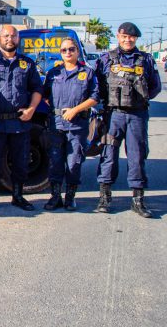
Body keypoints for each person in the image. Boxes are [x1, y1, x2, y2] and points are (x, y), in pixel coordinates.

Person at [94, 22, 161, 218]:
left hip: (137, 115)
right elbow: (96, 85)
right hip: (113, 115)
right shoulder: (106, 59)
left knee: (137, 156)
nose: (128, 39)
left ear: (136, 39)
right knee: (108, 155)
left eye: (131, 37)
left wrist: (139, 98)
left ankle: (138, 201)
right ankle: (105, 199)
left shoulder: (146, 60)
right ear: (118, 36)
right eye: (124, 36)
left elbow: (155, 87)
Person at [0, 25, 42, 211]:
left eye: (13, 36)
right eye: (6, 35)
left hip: (19, 122)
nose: (9, 39)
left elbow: (37, 89)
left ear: (18, 39)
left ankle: (18, 196)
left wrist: (31, 109)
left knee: (21, 161)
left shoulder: (27, 63)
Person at [42, 37, 99, 211]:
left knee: (74, 162)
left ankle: (70, 197)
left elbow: (95, 97)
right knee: (55, 162)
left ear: (77, 51)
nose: (68, 53)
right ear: (60, 53)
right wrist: (55, 111)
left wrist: (75, 110)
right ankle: (55, 196)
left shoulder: (87, 73)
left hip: (77, 125)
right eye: (64, 50)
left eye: (71, 49)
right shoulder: (53, 73)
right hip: (56, 125)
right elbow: (44, 95)